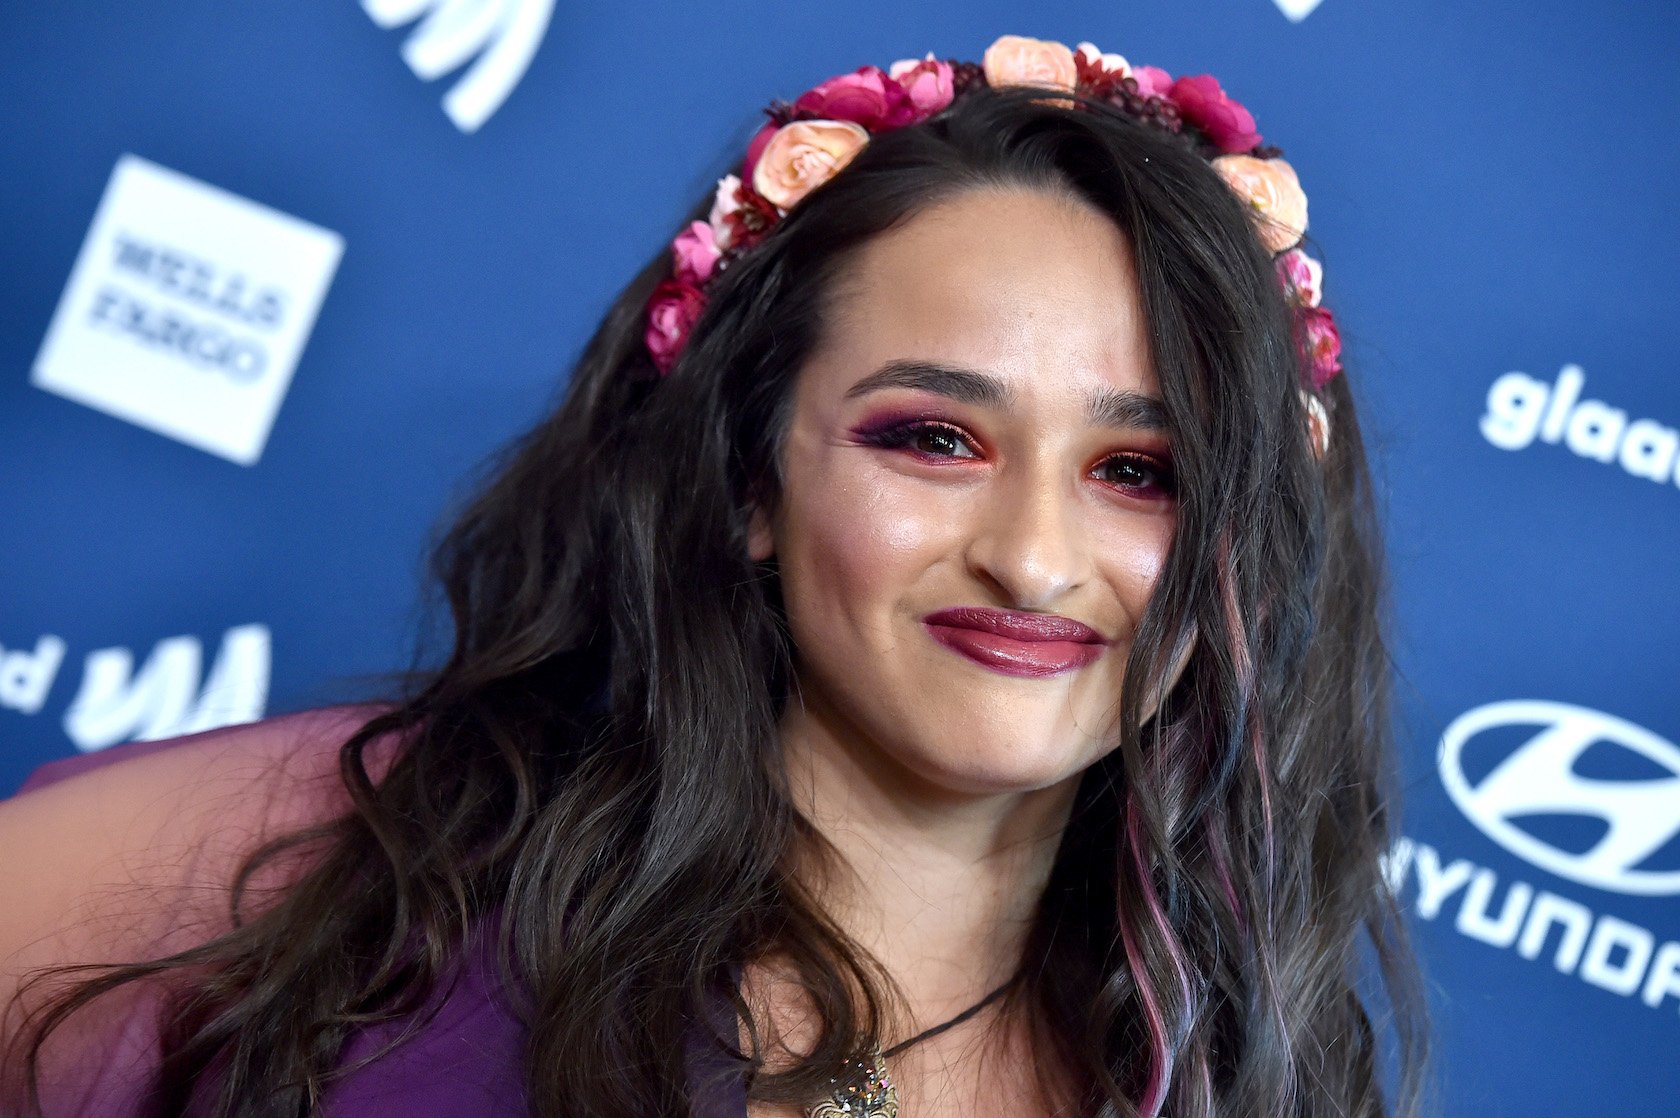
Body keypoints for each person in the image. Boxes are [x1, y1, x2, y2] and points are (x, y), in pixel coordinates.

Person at [0, 32, 1429, 1118]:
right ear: (752, 478)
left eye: (1141, 472)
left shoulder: (1241, 1080)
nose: (1035, 555)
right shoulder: (338, 866)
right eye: (933, 438)